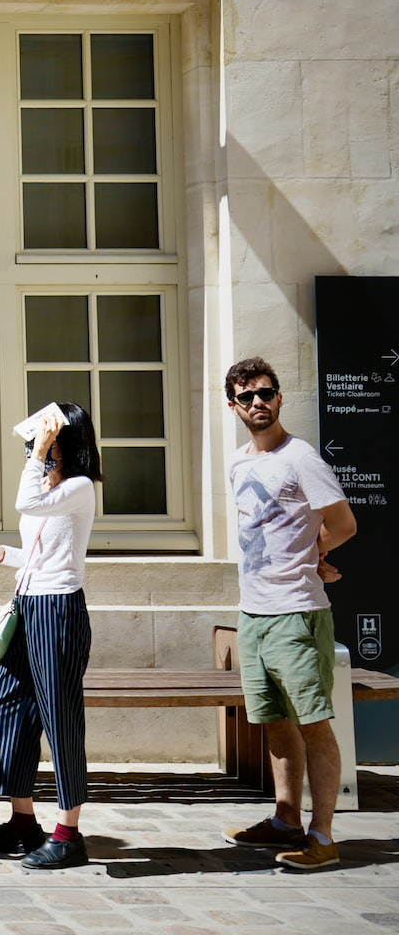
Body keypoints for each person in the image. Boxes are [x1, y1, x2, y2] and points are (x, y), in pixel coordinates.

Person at [220, 357, 357, 871]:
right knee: (275, 722)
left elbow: (343, 523)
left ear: (279, 398)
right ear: (233, 405)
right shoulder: (238, 463)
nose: (257, 402)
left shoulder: (302, 458)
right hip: (253, 613)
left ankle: (322, 837)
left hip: (297, 612)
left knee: (314, 723)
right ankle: (285, 819)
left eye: (266, 392)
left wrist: (315, 555)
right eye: (246, 395)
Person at [0, 402, 100, 869]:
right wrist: (3, 553)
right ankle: (23, 821)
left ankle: (69, 832)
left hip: (58, 609)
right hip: (28, 605)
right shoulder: (49, 486)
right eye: (31, 442)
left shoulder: (81, 488)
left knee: (61, 719)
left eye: (41, 440)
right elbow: (41, 553)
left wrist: (38, 452)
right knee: (5, 708)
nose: (33, 448)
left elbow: (25, 504)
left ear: (65, 442)